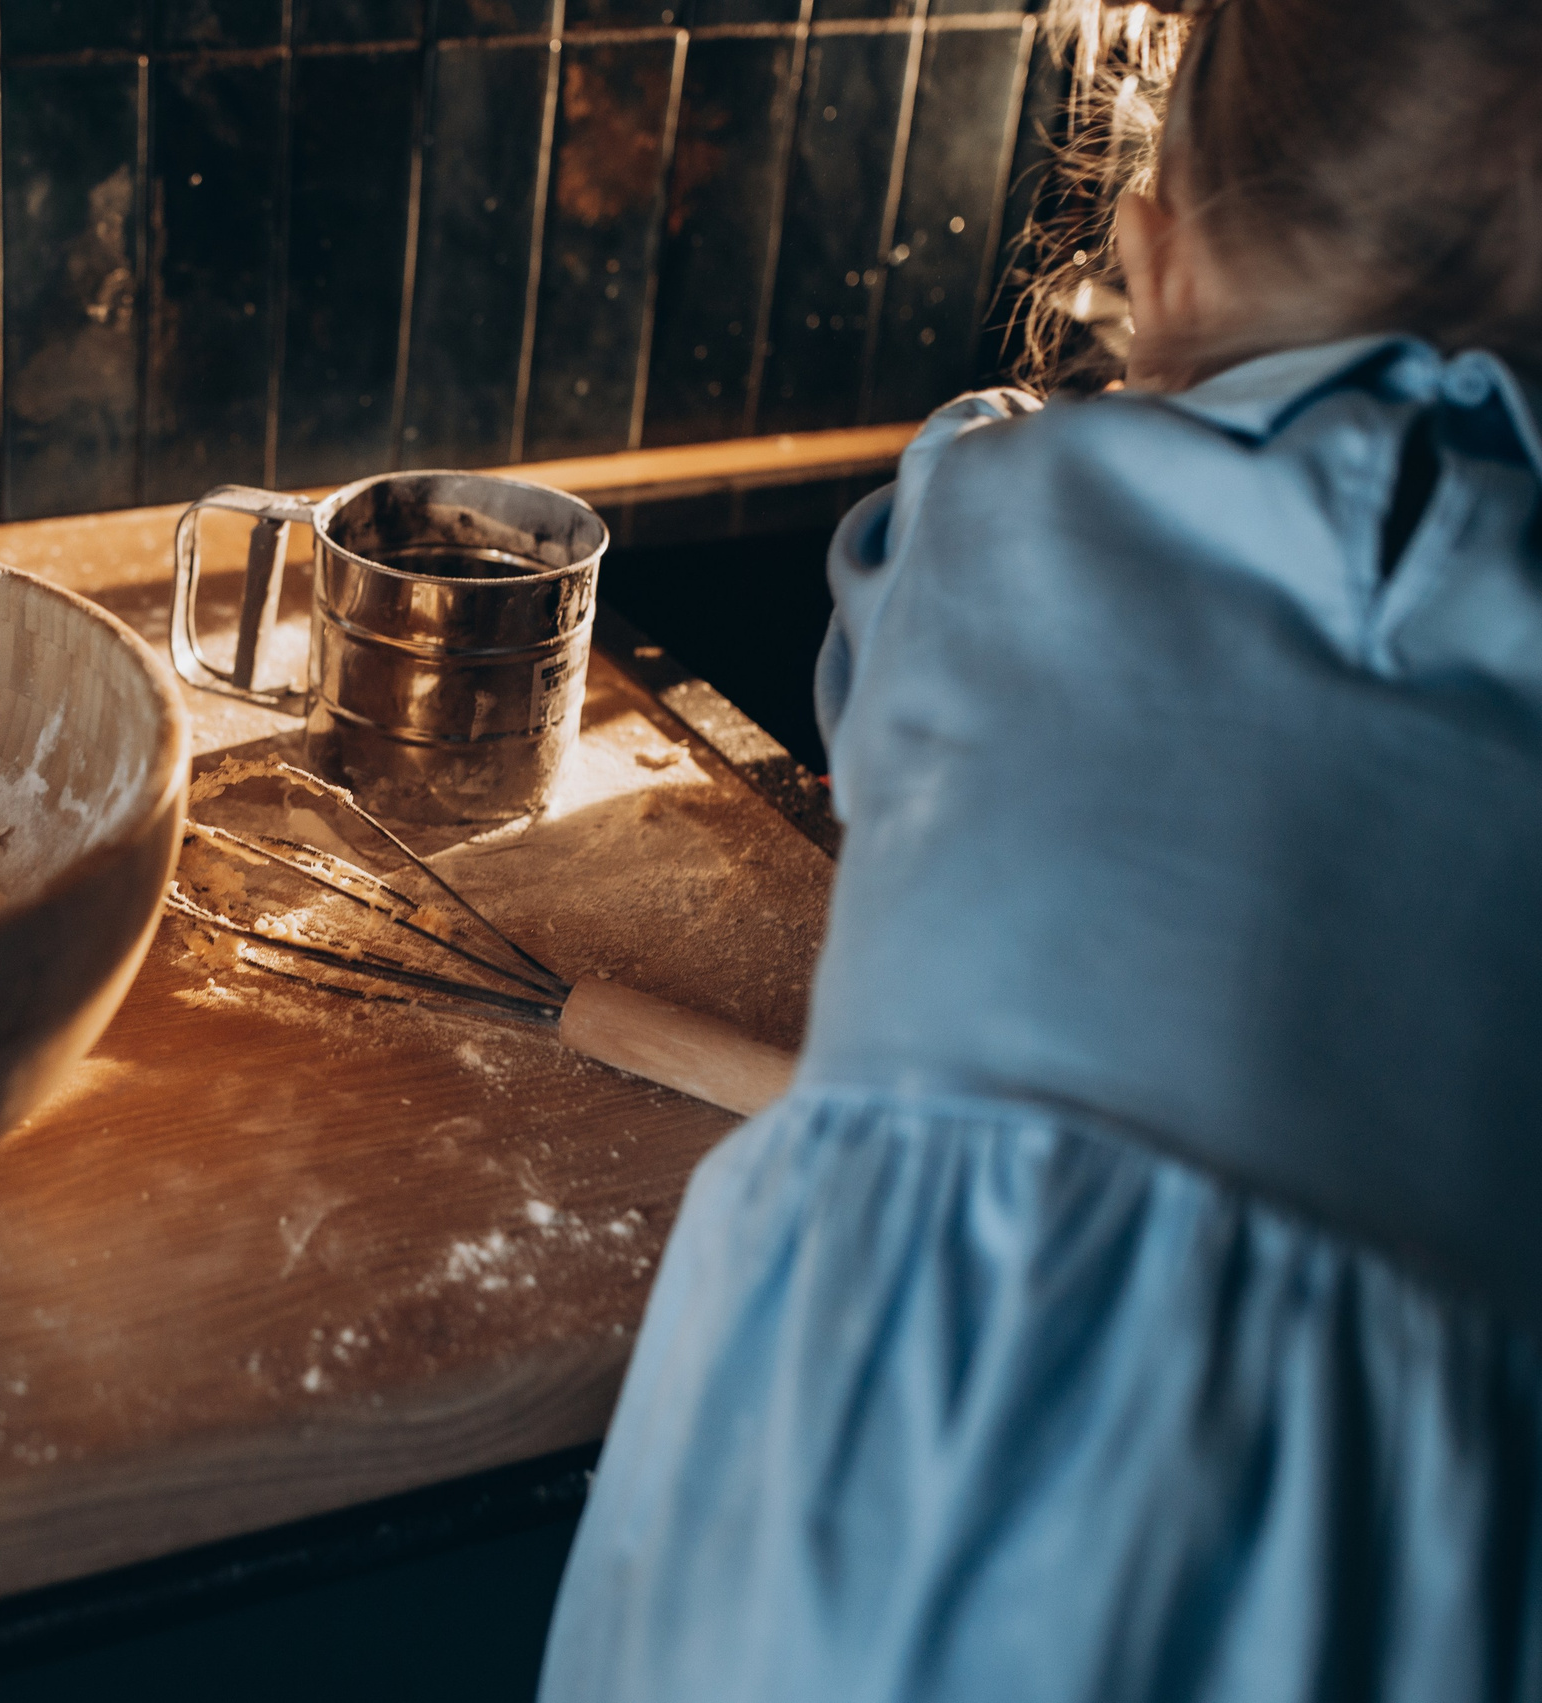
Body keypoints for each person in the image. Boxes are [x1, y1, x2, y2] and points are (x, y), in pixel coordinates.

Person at [539, 0, 1542, 1696]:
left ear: (1152, 259)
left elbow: (881, 723)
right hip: (1384, 1577)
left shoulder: (997, 508)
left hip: (868, 1515)